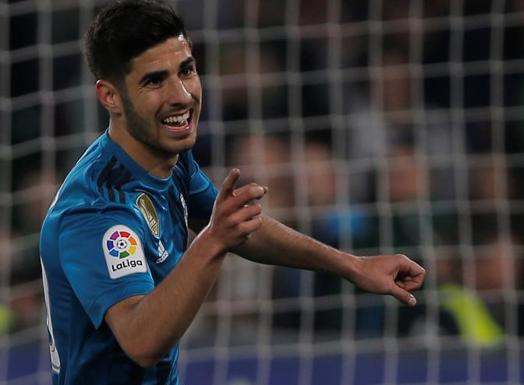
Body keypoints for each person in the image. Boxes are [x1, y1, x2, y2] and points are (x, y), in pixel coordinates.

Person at [39, 1, 426, 384]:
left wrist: (352, 265)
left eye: (186, 71)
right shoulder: (96, 209)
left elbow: (242, 226)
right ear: (110, 97)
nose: (182, 95)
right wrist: (211, 243)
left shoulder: (165, 161)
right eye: (155, 80)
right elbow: (141, 340)